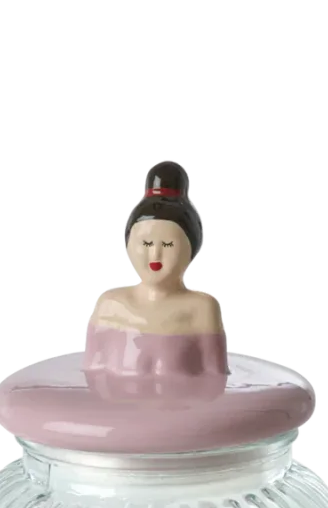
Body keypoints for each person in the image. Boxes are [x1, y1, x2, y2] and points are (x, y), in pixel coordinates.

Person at [86, 161, 227, 376]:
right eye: (146, 243)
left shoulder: (201, 309)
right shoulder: (110, 305)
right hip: (118, 397)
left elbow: (216, 375)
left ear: (191, 251)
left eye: (168, 244)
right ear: (129, 246)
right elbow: (90, 373)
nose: (155, 255)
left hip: (181, 399)